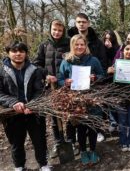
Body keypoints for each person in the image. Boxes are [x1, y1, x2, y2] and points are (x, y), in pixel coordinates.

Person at [0, 42, 51, 171]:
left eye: (21, 51)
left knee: (39, 140)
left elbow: (39, 90)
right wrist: (13, 102)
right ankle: (19, 166)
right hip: (11, 113)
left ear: (26, 53)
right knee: (16, 142)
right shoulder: (1, 71)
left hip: (34, 111)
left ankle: (43, 164)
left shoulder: (35, 70)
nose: (18, 54)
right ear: (8, 53)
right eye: (14, 51)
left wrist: (32, 105)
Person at [58, 34, 105, 165]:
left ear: (86, 46)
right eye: (76, 44)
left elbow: (103, 76)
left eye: (82, 44)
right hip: (75, 100)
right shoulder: (66, 61)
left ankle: (93, 150)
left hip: (92, 98)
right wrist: (65, 82)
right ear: (72, 46)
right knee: (81, 128)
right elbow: (60, 79)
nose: (79, 47)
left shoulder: (93, 60)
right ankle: (84, 151)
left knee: (93, 126)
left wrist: (95, 78)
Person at [33, 19, 70, 158]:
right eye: (54, 29)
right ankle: (58, 141)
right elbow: (36, 64)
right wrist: (46, 75)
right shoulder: (44, 45)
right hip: (50, 87)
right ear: (50, 29)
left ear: (63, 31)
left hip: (65, 85)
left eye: (60, 30)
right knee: (55, 116)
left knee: (70, 113)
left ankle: (71, 139)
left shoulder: (68, 44)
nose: (57, 32)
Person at [108, 41, 130, 152]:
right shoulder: (116, 65)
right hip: (120, 98)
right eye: (127, 49)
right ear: (122, 51)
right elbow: (110, 82)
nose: (129, 51)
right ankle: (123, 142)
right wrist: (109, 72)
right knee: (122, 122)